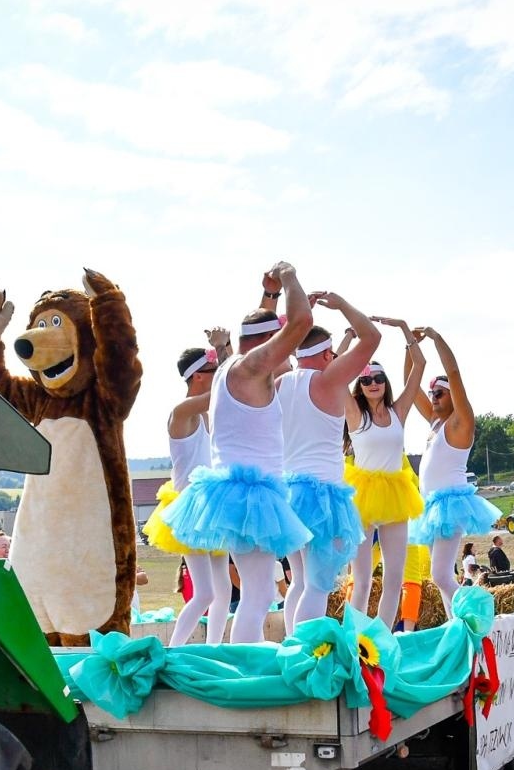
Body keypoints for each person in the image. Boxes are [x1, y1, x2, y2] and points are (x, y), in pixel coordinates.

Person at [162, 263, 314, 643]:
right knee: (257, 594)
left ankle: (244, 654)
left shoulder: (235, 366)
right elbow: (301, 323)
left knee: (254, 592)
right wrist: (290, 276)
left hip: (241, 493)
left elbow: (255, 332)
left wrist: (270, 294)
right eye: (280, 345)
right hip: (250, 495)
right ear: (267, 344)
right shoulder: (247, 368)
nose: (288, 356)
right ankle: (245, 663)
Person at [277, 294, 380, 633]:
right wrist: (343, 305)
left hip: (287, 492)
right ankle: (303, 654)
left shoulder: (280, 382)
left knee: (300, 582)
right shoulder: (327, 380)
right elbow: (372, 338)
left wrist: (292, 317)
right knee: (319, 585)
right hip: (321, 496)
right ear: (325, 355)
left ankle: (289, 647)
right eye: (333, 355)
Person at [145, 335, 232, 646]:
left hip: (214, 508)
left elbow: (228, 389)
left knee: (224, 591)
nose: (219, 376)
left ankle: (215, 648)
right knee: (206, 592)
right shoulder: (183, 412)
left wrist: (225, 352)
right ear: (198, 375)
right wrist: (226, 353)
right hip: (190, 510)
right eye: (213, 371)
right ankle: (173, 650)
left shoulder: (206, 415)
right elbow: (229, 388)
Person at [411, 327, 500, 616]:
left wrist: (436, 339)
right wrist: (408, 342)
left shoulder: (460, 423)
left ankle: (473, 615)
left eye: (439, 393)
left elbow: (455, 373)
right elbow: (408, 386)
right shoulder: (435, 424)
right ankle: (455, 625)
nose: (433, 398)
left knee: (440, 574)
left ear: (452, 396)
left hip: (451, 504)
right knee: (441, 578)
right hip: (432, 505)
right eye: (432, 393)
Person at [343, 319, 426, 628]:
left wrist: (405, 329)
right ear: (360, 386)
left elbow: (419, 366)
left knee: (394, 578)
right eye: (366, 379)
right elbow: (335, 375)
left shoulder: (398, 412)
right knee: (361, 580)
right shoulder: (354, 412)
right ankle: (354, 639)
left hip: (394, 496)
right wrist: (348, 339)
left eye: (378, 377)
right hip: (361, 498)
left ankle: (382, 639)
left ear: (385, 381)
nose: (373, 383)